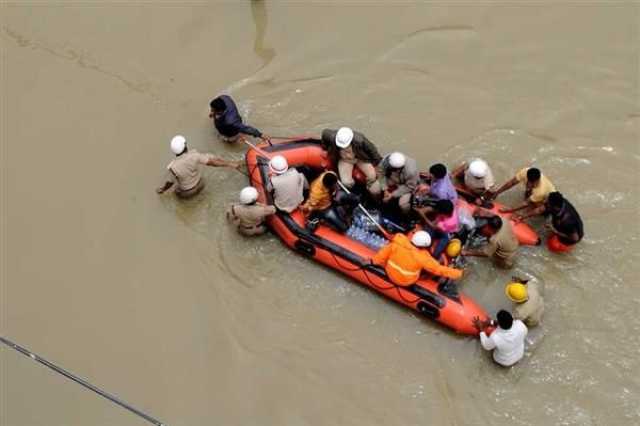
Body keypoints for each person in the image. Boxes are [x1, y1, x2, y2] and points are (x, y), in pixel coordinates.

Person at [156, 135, 241, 198]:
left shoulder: (172, 167)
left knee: (175, 192)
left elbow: (169, 183)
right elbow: (212, 162)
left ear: (174, 152)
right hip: (200, 184)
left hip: (187, 192)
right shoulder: (195, 155)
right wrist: (230, 164)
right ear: (185, 146)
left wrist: (162, 189)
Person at [371, 231, 463, 286]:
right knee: (426, 269)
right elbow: (438, 269)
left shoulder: (398, 243)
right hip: (406, 281)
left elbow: (381, 255)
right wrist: (458, 273)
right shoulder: (423, 257)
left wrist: (372, 262)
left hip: (389, 272)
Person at [320, 127, 382, 196]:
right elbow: (324, 133)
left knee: (372, 175)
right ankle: (355, 191)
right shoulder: (331, 136)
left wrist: (378, 165)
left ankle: (369, 189)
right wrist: (324, 148)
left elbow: (373, 151)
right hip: (345, 160)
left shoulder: (360, 140)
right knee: (346, 182)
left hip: (360, 158)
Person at [518, 191, 583, 253]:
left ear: (554, 207)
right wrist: (522, 216)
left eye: (547, 202)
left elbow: (575, 239)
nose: (545, 202)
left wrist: (554, 231)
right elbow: (539, 210)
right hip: (563, 226)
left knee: (552, 246)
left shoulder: (567, 221)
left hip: (571, 236)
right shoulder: (558, 203)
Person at [489, 167, 556, 215]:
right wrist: (497, 192)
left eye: (532, 184)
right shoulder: (525, 171)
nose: (529, 184)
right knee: (528, 195)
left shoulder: (540, 191)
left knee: (537, 209)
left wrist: (511, 209)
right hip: (536, 192)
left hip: (548, 199)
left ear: (537, 180)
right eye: (528, 182)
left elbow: (526, 203)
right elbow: (511, 183)